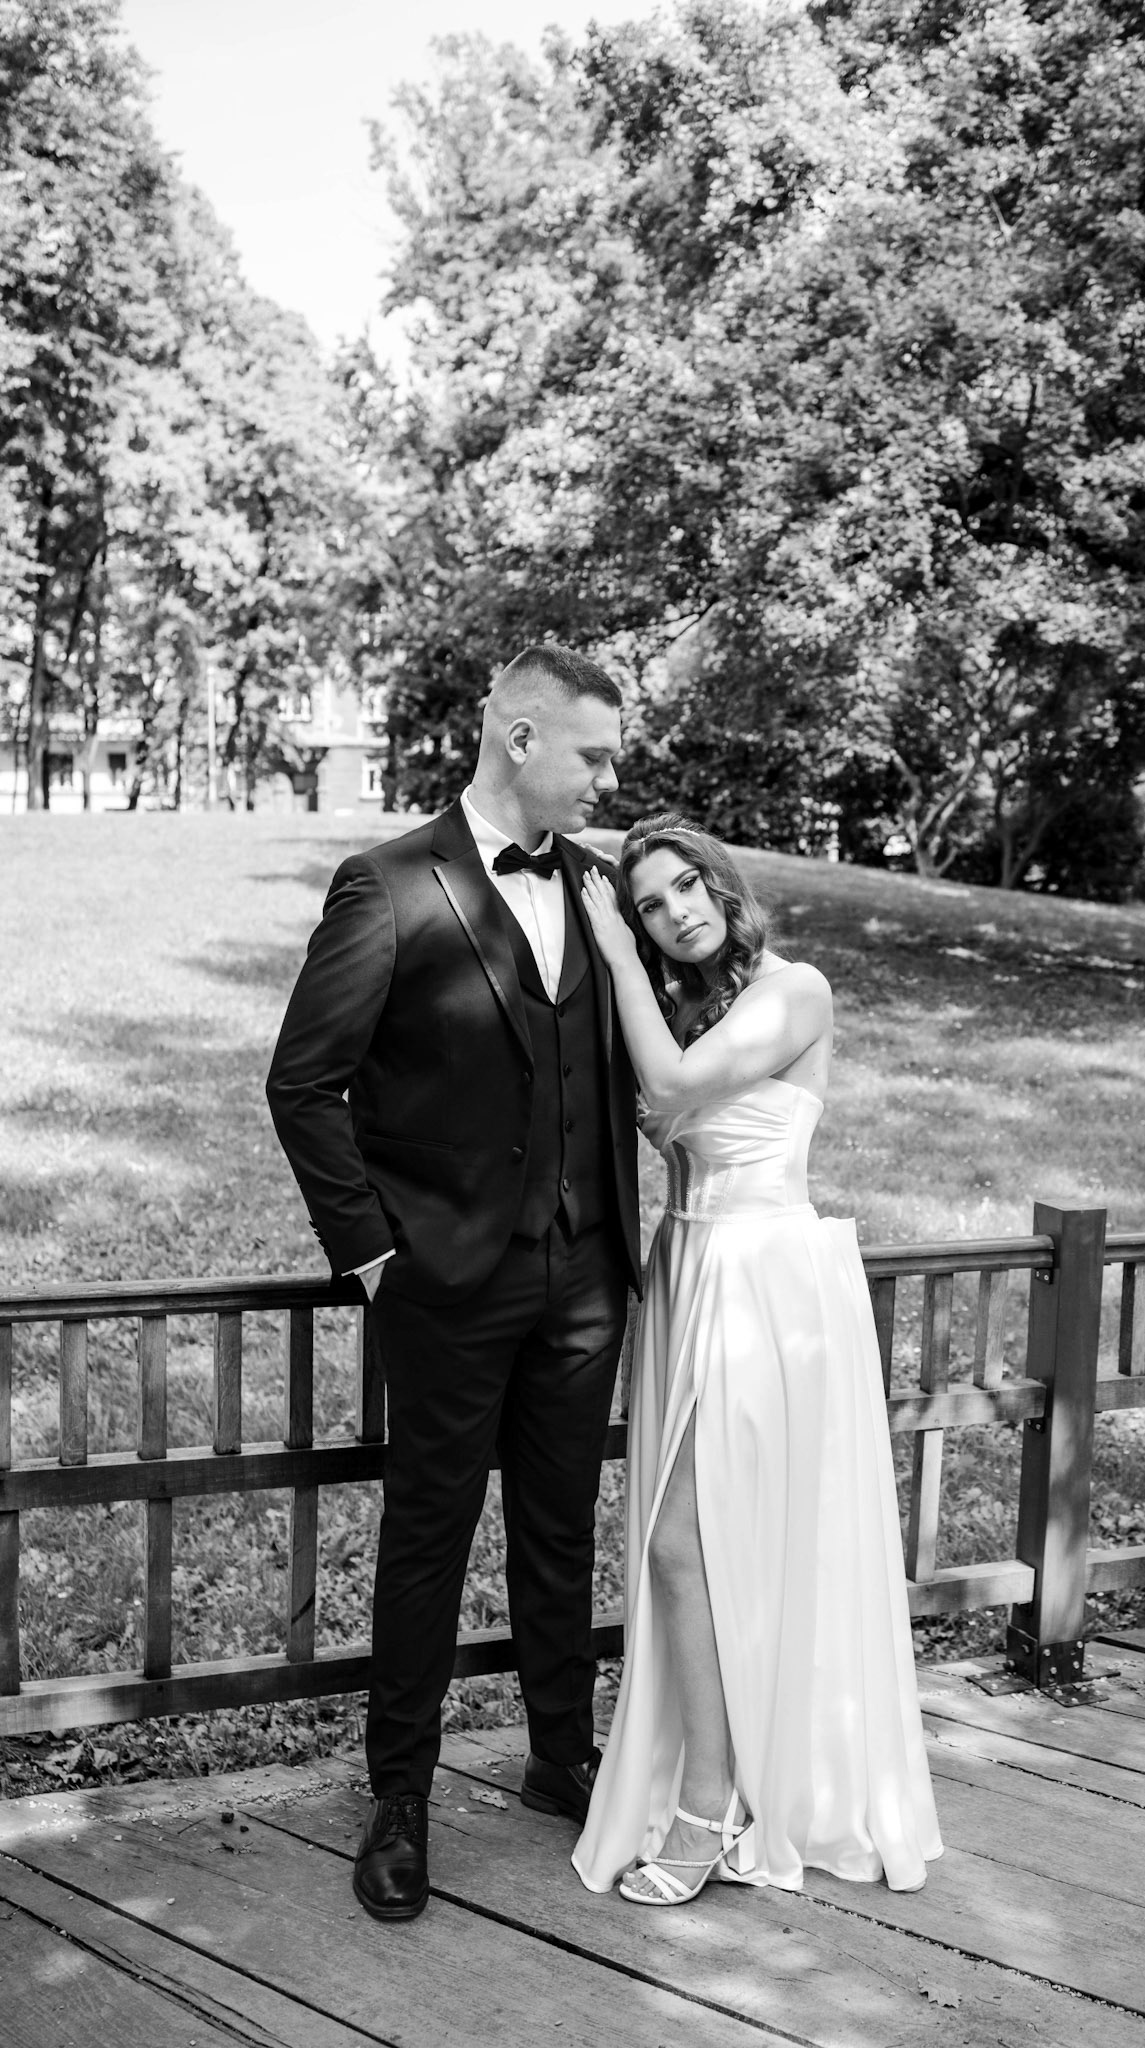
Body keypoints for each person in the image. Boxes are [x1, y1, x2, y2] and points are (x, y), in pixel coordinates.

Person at [265, 645, 641, 1922]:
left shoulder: (598, 886)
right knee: (429, 1535)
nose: (609, 779)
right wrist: (375, 1254)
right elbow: (303, 1083)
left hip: (585, 1275)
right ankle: (401, 1796)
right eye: (594, 754)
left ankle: (561, 1754)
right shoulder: (387, 885)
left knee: (561, 1524)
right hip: (445, 1282)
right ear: (521, 738)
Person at [572, 814, 941, 1903]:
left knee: (687, 1542)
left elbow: (674, 1081)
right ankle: (726, 1782)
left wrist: (612, 950)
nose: (673, 912)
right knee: (700, 1545)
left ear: (722, 886)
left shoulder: (796, 991)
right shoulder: (688, 1002)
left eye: (686, 886)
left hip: (764, 1280)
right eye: (648, 905)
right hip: (687, 1271)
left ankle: (708, 1804)